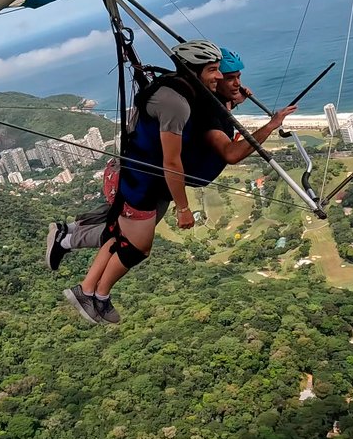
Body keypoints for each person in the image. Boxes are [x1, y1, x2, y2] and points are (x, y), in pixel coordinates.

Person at [46, 42, 295, 325]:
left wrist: (233, 98)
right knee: (136, 247)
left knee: (121, 235)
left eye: (233, 76)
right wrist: (183, 208)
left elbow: (213, 103)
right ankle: (88, 283)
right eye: (221, 74)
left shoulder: (195, 95)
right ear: (196, 72)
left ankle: (79, 265)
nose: (232, 81)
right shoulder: (181, 105)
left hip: (153, 182)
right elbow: (194, 158)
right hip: (140, 182)